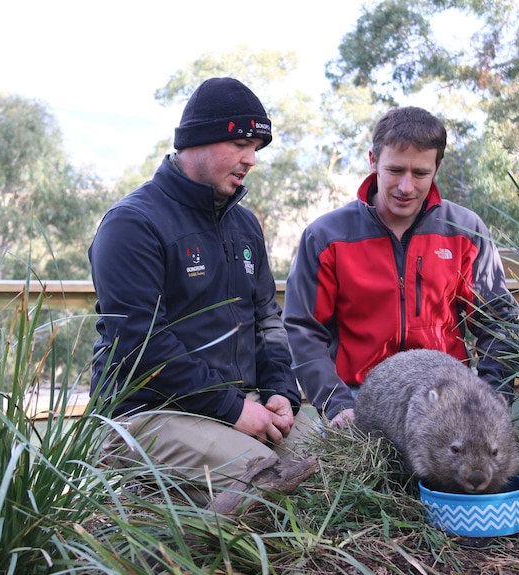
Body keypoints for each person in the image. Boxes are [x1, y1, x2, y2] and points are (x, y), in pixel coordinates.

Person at [88, 77, 317, 512]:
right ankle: (155, 506)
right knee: (268, 480)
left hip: (235, 404)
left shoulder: (245, 226)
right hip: (147, 414)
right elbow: (139, 343)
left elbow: (267, 321)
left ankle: (191, 499)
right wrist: (233, 410)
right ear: (199, 139)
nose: (251, 159)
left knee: (335, 463)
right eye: (241, 143)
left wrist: (280, 393)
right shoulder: (132, 224)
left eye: (256, 147)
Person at [283, 106, 519, 426]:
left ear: (437, 167)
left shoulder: (465, 231)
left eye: (420, 173)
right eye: (395, 170)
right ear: (373, 161)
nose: (406, 187)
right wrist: (335, 404)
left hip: (448, 402)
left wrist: (492, 399)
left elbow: (497, 321)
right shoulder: (325, 237)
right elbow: (304, 330)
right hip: (356, 401)